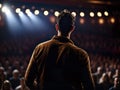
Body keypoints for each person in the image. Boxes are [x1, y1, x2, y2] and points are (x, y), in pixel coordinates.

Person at [24, 9, 95, 90]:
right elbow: (89, 87)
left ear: (57, 27)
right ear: (72, 28)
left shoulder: (40, 48)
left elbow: (28, 80)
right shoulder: (81, 54)